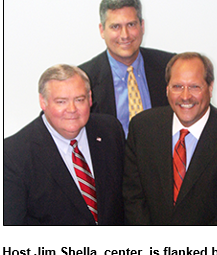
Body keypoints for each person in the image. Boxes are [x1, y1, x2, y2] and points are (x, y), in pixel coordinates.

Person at [123, 52, 217, 225]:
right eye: (177, 86)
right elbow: (133, 197)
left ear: (210, 88)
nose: (185, 96)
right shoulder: (142, 128)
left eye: (195, 86)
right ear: (167, 89)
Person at [4, 65, 126, 225]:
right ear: (43, 102)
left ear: (90, 98)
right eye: (61, 102)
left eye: (79, 99)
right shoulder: (13, 154)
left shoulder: (109, 130)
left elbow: (126, 197)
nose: (72, 109)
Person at [79, 0, 175, 136]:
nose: (125, 35)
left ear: (142, 26)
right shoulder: (84, 78)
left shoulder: (170, 66)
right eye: (115, 27)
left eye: (131, 24)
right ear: (102, 30)